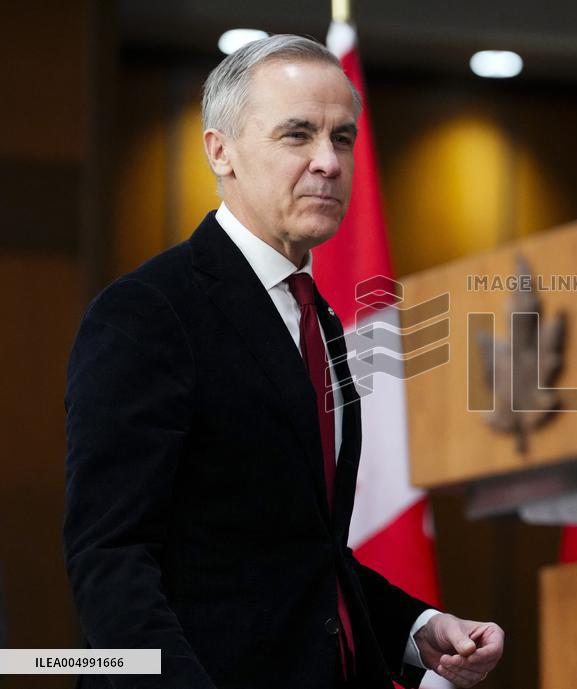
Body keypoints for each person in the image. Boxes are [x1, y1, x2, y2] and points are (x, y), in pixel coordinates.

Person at [63, 34, 503, 689]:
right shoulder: (148, 312)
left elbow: (299, 552)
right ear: (222, 151)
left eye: (343, 138)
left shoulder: (318, 317)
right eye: (297, 135)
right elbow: (111, 559)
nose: (328, 161)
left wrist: (416, 627)